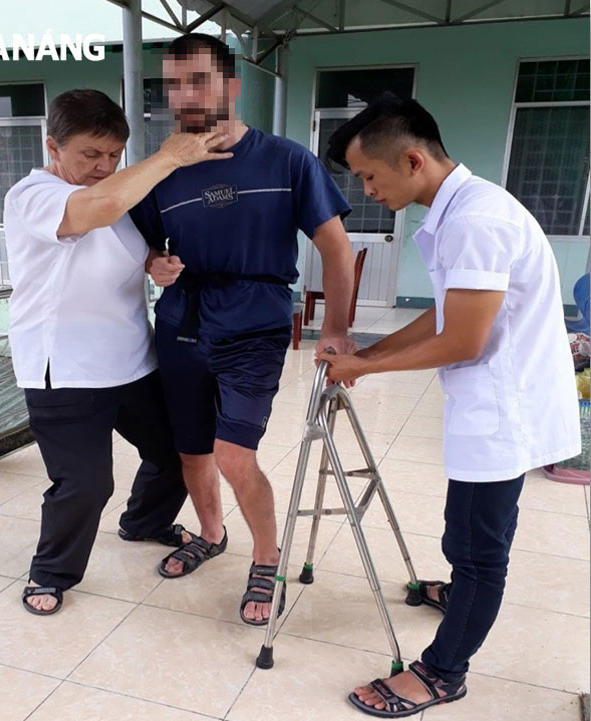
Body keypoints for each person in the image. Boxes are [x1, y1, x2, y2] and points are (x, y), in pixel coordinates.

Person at [318, 93, 581, 718]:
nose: (367, 190)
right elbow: (447, 312)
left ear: (412, 160)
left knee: (480, 548)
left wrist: (367, 367)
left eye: (369, 177)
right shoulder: (458, 209)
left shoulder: (476, 220)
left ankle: (442, 672)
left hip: (506, 412)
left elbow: (464, 338)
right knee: (462, 530)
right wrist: (371, 351)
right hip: (487, 401)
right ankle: (459, 591)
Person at [127, 33, 357, 626]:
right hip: (181, 322)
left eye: (197, 80)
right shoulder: (162, 170)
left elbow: (335, 247)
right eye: (173, 84)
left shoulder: (286, 160)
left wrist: (335, 328)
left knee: (233, 453)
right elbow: (146, 244)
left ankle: (266, 554)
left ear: (231, 86)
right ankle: (210, 532)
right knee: (192, 448)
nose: (183, 95)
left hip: (254, 324)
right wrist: (155, 264)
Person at [4, 88, 232, 615]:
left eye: (113, 156)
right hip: (63, 366)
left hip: (130, 360)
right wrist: (171, 155)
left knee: (179, 451)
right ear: (53, 147)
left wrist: (156, 263)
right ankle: (51, 573)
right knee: (85, 483)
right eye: (90, 154)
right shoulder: (34, 195)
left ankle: (145, 523)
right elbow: (95, 211)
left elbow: (127, 242)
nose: (103, 167)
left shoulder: (117, 191)